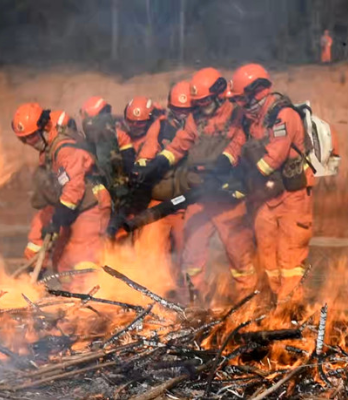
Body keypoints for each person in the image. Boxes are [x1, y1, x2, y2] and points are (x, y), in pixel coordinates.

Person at [134, 68, 257, 302]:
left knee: (239, 253)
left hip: (227, 197)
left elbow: (240, 141)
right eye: (198, 103)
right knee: (192, 256)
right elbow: (180, 144)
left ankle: (248, 303)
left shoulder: (236, 115)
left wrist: (225, 161)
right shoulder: (195, 119)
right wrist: (159, 162)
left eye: (205, 101)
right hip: (199, 196)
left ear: (219, 93)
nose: (202, 107)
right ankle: (192, 305)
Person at [230, 63, 314, 302]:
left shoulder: (283, 115)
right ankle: (276, 302)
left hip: (292, 196)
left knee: (290, 259)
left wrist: (245, 183)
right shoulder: (253, 120)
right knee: (267, 255)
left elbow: (274, 158)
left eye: (242, 99)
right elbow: (241, 149)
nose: (240, 105)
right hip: (267, 197)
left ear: (256, 92)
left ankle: (289, 310)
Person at [12, 102, 111, 288]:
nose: (30, 143)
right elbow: (54, 194)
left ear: (44, 127)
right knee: (62, 261)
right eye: (25, 139)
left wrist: (58, 219)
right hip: (73, 206)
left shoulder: (64, 149)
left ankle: (88, 301)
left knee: (82, 257)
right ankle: (70, 298)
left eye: (32, 137)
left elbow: (74, 186)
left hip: (89, 207)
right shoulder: (48, 152)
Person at [129, 81, 194, 279]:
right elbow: (148, 149)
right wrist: (141, 167)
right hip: (160, 201)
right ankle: (149, 291)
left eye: (186, 110)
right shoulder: (160, 127)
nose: (182, 114)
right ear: (169, 107)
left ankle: (187, 299)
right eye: (177, 109)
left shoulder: (198, 128)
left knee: (189, 256)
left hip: (186, 204)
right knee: (149, 250)